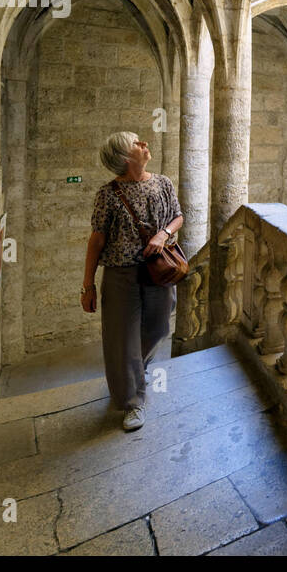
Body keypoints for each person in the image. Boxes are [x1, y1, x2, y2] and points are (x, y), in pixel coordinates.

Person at [81, 131, 183, 431]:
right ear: (126, 159)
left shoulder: (162, 183)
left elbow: (177, 216)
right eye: (137, 144)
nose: (144, 144)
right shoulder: (108, 195)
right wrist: (88, 285)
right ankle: (131, 403)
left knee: (160, 327)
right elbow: (96, 242)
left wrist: (163, 234)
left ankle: (137, 370)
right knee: (121, 341)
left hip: (159, 270)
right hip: (121, 275)